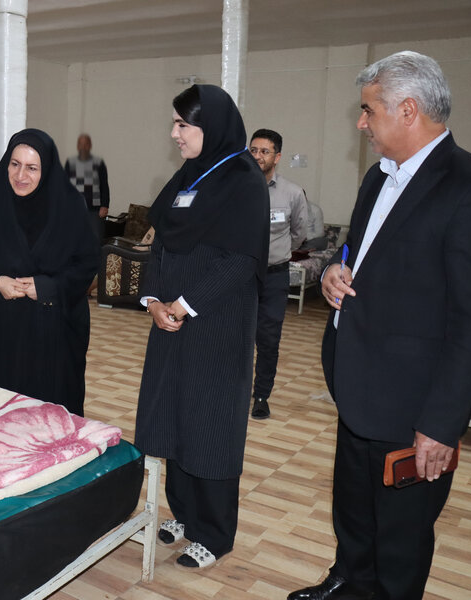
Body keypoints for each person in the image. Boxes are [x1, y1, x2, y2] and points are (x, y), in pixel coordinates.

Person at [288, 51, 471, 600]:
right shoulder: (378, 176)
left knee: (401, 536)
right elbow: (358, 251)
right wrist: (334, 269)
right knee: (354, 510)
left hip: (414, 405)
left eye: (368, 110)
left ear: (408, 110)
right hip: (358, 385)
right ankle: (348, 582)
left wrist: (441, 423)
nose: (361, 123)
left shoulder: (468, 186)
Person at [135, 85, 269, 568]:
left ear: (209, 126)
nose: (174, 133)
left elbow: (240, 261)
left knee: (211, 427)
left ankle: (214, 531)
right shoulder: (187, 176)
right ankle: (186, 515)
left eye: (182, 124)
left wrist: (185, 304)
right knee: (175, 419)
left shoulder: (244, 180)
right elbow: (160, 244)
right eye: (174, 123)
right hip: (170, 322)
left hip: (215, 326)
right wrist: (153, 300)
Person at [0, 129, 99, 416]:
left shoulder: (69, 205)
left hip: (51, 334)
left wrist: (47, 287)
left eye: (32, 168)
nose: (21, 175)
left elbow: (86, 264)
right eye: (15, 164)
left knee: (47, 417)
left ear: (46, 169)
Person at [248, 128, 308, 419]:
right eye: (253, 150)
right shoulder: (236, 188)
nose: (258, 156)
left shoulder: (293, 193)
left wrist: (276, 252)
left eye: (264, 151)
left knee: (268, 340)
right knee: (235, 337)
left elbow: (299, 234)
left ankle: (261, 395)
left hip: (274, 277)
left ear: (278, 156)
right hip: (242, 276)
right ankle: (233, 391)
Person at [64, 133, 111, 240]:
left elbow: (104, 185)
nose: (83, 147)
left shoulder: (99, 163)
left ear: (90, 146)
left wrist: (105, 205)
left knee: (95, 239)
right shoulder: (70, 163)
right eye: (80, 144)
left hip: (94, 210)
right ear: (77, 146)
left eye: (86, 144)